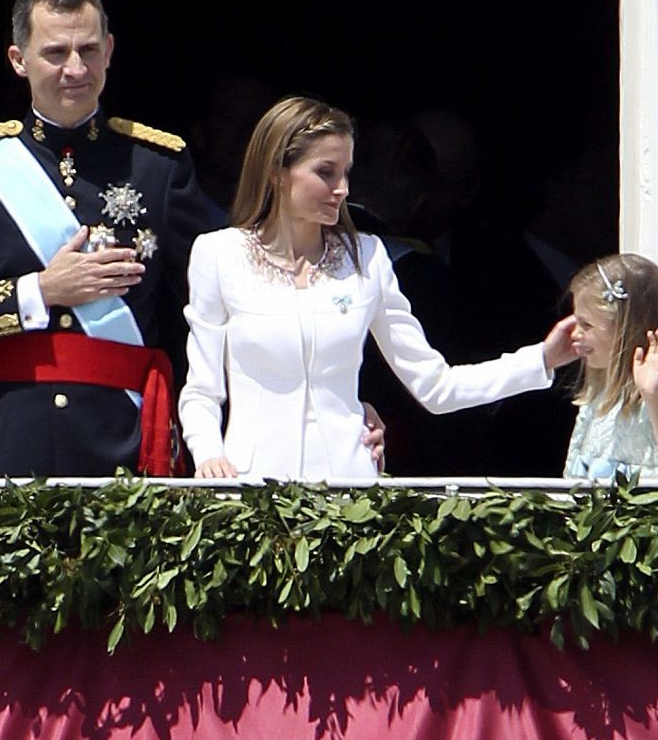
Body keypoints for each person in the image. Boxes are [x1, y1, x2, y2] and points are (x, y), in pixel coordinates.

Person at [0, 0, 220, 477]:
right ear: (19, 60)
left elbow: (225, 302)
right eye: (55, 52)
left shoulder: (158, 167)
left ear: (109, 51)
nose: (75, 68)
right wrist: (39, 292)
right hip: (4, 447)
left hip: (123, 449)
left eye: (88, 50)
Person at [179, 97, 577, 481]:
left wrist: (541, 359)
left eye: (346, 172)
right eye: (326, 172)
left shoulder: (368, 258)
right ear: (277, 172)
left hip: (349, 491)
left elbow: (436, 386)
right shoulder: (218, 254)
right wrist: (209, 453)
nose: (343, 188)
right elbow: (202, 388)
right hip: (251, 487)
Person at [564, 253, 658, 480]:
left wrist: (652, 395)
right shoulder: (599, 392)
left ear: (625, 328)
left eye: (586, 325)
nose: (575, 334)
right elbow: (572, 470)